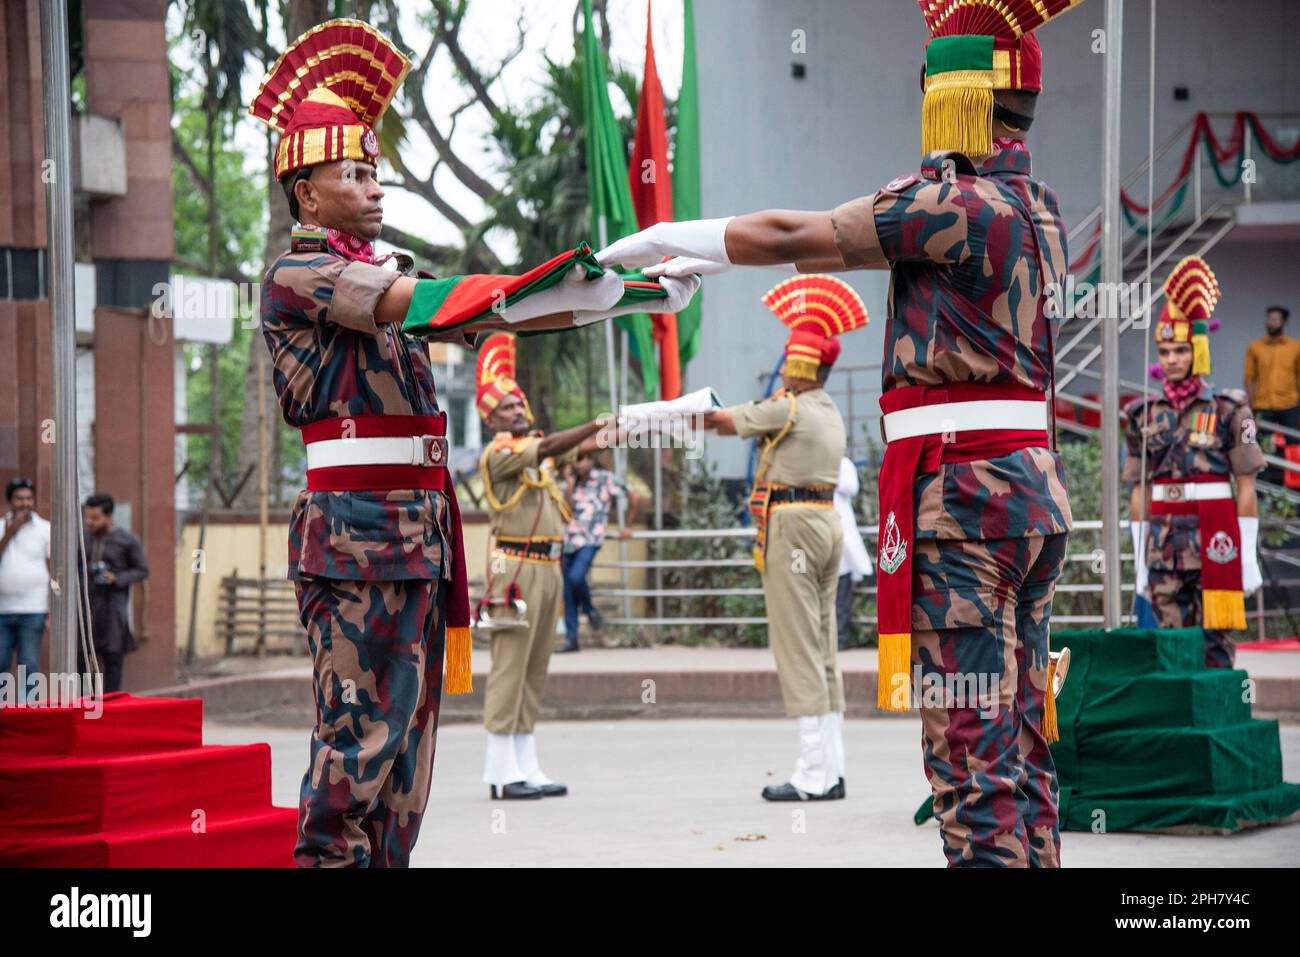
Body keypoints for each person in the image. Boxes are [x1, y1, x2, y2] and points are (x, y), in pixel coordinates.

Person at [601, 0, 1084, 865]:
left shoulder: (949, 199)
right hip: (1030, 499)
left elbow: (802, 234)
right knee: (1020, 739)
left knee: (971, 756)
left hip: (963, 506)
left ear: (956, 99)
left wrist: (668, 237)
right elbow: (836, 248)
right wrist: (702, 260)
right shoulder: (1035, 206)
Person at [248, 19, 698, 867]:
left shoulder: (382, 268)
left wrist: (632, 291)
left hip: (412, 536)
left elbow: (494, 311)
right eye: (354, 172)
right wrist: (588, 273)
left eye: (375, 168)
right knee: (354, 754)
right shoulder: (300, 274)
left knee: (408, 768)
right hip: (354, 539)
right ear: (306, 193)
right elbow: (437, 303)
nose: (374, 185)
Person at [696, 275, 867, 801]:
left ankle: (812, 774)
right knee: (822, 648)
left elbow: (724, 423)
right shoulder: (828, 411)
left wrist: (674, 415)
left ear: (798, 363)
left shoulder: (789, 407)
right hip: (825, 525)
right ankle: (832, 769)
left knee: (796, 647)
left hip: (791, 527)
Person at [475, 333, 617, 798]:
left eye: (519, 406)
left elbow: (585, 445)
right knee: (510, 666)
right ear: (488, 419)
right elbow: (557, 444)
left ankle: (525, 764)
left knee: (535, 668)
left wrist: (624, 425)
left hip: (547, 565)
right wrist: (595, 423)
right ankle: (499, 770)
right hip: (514, 567)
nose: (516, 412)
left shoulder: (535, 449)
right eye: (506, 409)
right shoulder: (501, 455)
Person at [1127, 257, 1265, 669]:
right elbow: (1139, 491)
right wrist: (1137, 558)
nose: (1170, 359)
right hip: (1163, 542)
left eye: (1180, 350)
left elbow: (1246, 487)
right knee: (1171, 650)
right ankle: (1180, 732)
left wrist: (1247, 555)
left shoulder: (1228, 408)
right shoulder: (1142, 413)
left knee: (1215, 649)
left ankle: (1218, 722)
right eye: (1164, 350)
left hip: (1215, 537)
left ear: (1197, 349)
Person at [559, 451, 639, 652]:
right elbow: (565, 513)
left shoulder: (604, 479)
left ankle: (589, 610)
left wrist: (628, 526)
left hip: (590, 539)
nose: (579, 464)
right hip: (567, 541)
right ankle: (572, 638)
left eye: (582, 458)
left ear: (590, 459)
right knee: (567, 591)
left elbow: (633, 495)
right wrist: (568, 485)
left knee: (576, 578)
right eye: (575, 461)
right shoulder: (568, 483)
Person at [81, 493, 149, 694]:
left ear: (109, 517)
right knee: (82, 659)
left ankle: (111, 708)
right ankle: (85, 707)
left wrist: (116, 578)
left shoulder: (126, 540)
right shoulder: (83, 537)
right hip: (87, 607)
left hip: (113, 607)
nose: (90, 522)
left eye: (95, 518)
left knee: (112, 659)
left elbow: (142, 570)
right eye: (87, 517)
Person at [0, 478, 50, 702]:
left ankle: (27, 710)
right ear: (10, 501)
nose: (25, 503)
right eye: (19, 499)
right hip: (2, 609)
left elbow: (56, 568)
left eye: (29, 498)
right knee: (1, 662)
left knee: (29, 663)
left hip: (34, 608)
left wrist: (53, 609)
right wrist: (10, 532)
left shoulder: (45, 529)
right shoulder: (1, 527)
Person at [1243, 305, 1299, 485]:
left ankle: (1294, 487)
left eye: (1276, 319)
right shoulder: (1255, 347)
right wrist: (1251, 408)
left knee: (1295, 447)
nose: (1272, 322)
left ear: (1283, 322)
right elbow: (1250, 379)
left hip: (1289, 404)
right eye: (1269, 319)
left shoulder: (1295, 347)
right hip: (1263, 405)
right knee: (1262, 446)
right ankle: (1262, 489)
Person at [832, 458, 873, 650]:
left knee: (842, 596)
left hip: (842, 544)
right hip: (822, 540)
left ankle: (841, 638)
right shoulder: (812, 459)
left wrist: (829, 479)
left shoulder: (843, 463)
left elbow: (851, 487)